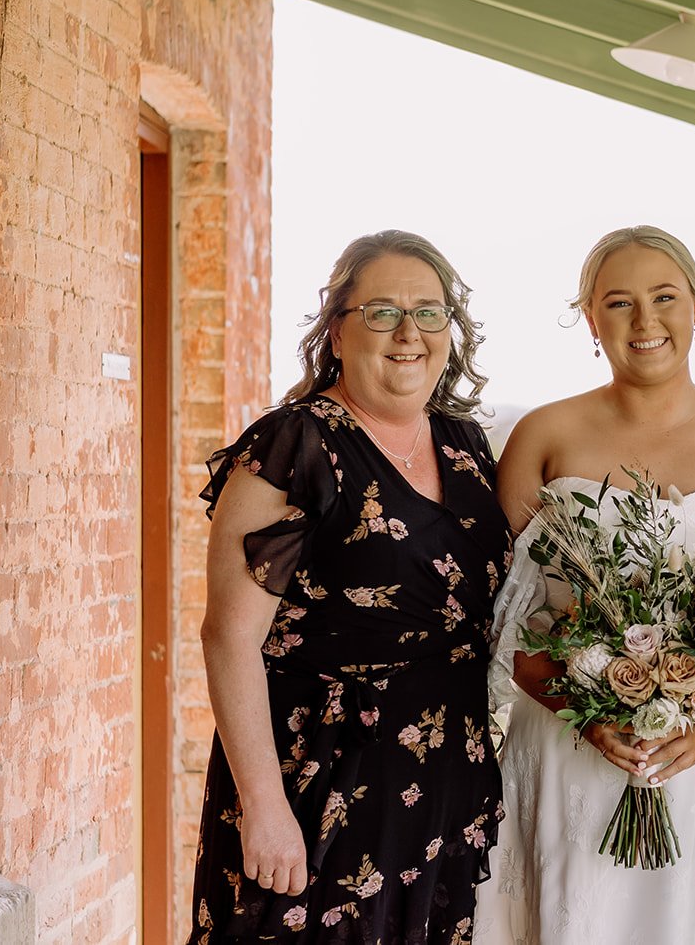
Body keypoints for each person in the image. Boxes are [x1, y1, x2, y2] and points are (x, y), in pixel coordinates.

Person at [473, 226, 695, 945]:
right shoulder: (541, 435)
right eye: (618, 302)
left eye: (665, 297)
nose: (645, 321)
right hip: (574, 751)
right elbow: (501, 623)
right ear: (589, 317)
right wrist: (586, 710)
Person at [189, 231, 510, 944]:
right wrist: (264, 806)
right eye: (382, 311)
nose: (409, 332)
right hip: (316, 784)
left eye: (429, 312)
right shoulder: (294, 445)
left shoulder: (465, 442)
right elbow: (228, 637)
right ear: (337, 328)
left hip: (443, 783)